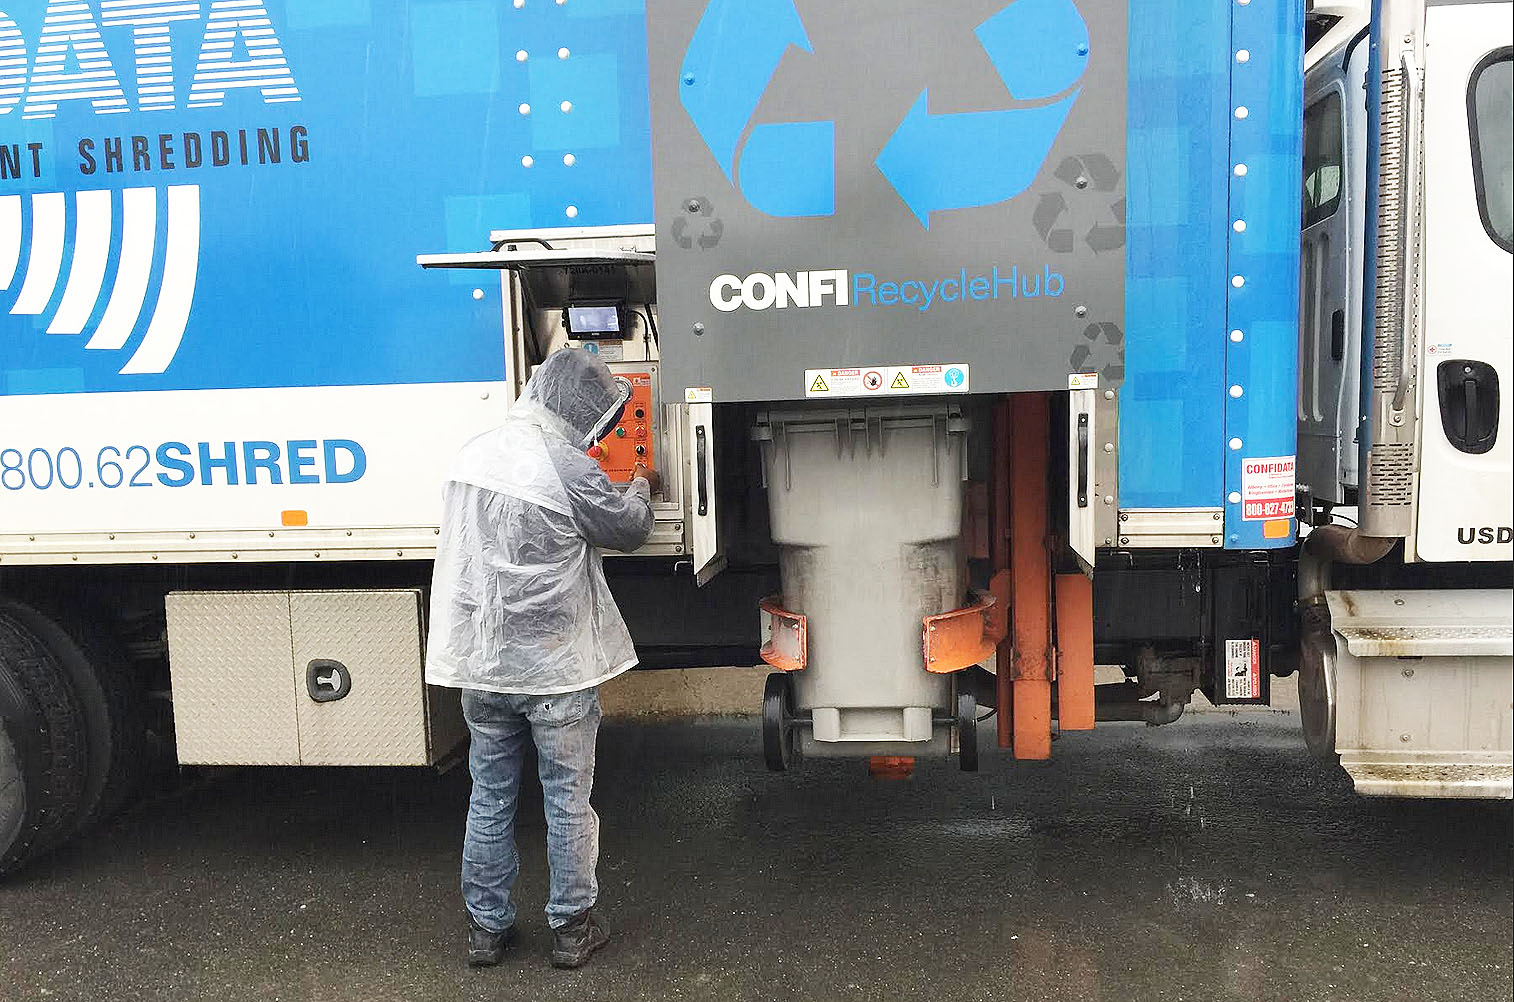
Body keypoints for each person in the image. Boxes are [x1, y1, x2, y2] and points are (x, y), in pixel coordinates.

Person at [426, 347, 660, 970]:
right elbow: (629, 527)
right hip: (555, 669)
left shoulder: (472, 454)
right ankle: (573, 929)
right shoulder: (566, 467)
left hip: (482, 665)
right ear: (583, 409)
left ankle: (485, 930)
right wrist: (640, 483)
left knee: (490, 795)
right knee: (566, 799)